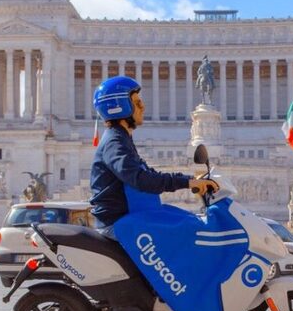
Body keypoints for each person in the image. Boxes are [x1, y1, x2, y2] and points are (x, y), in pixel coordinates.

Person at [90, 76, 219, 240]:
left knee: (187, 221)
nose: (143, 107)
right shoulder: (114, 143)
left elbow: (148, 174)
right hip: (118, 226)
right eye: (137, 103)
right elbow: (141, 179)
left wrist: (190, 180)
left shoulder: (121, 139)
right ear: (120, 107)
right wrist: (187, 183)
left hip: (129, 219)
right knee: (183, 237)